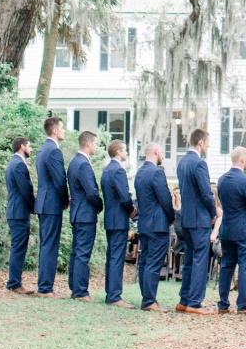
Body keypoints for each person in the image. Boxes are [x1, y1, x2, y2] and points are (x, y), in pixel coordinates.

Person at [175, 127, 217, 314]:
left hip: (186, 218)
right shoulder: (199, 164)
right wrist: (213, 212)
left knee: (190, 260)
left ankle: (184, 300)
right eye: (207, 143)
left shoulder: (182, 162)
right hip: (200, 219)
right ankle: (194, 303)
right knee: (200, 260)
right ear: (200, 142)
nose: (208, 146)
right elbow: (206, 193)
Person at [216, 146, 246, 314]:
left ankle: (223, 304)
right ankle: (243, 305)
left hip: (227, 228)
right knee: (245, 266)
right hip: (244, 230)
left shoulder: (222, 180)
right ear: (243, 160)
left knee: (227, 266)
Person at [135, 142, 176, 313]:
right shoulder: (157, 173)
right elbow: (165, 199)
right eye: (162, 153)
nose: (163, 156)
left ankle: (147, 298)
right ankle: (149, 301)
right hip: (158, 225)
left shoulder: (139, 173)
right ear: (157, 151)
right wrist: (172, 218)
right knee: (153, 262)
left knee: (145, 261)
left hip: (144, 223)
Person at [67, 130, 103, 301]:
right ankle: (80, 291)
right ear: (88, 143)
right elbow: (91, 192)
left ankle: (75, 288)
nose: (96, 147)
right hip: (85, 214)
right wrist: (100, 205)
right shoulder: (82, 164)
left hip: (77, 212)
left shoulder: (74, 162)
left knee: (76, 252)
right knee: (82, 253)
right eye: (95, 143)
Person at [35, 115, 68, 297]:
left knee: (46, 244)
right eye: (62, 128)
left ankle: (44, 285)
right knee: (50, 245)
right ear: (54, 130)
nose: (64, 130)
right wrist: (65, 200)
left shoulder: (42, 149)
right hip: (51, 203)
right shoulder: (54, 151)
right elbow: (59, 180)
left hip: (43, 202)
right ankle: (45, 288)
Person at [101, 139, 136, 307]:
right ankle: (115, 296)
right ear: (117, 152)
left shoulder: (106, 170)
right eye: (125, 150)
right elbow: (124, 196)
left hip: (109, 218)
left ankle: (110, 292)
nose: (127, 153)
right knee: (116, 257)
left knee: (111, 257)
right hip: (119, 219)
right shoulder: (118, 171)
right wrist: (132, 210)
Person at [4, 137, 35, 294]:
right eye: (29, 146)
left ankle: (14, 281)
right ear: (22, 147)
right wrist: (35, 206)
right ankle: (15, 283)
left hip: (16, 210)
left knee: (18, 246)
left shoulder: (13, 163)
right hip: (18, 212)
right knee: (19, 247)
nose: (31, 149)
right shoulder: (18, 165)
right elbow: (26, 189)